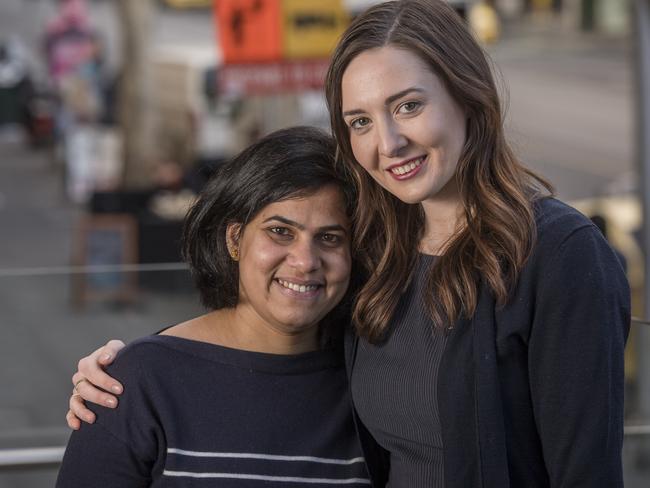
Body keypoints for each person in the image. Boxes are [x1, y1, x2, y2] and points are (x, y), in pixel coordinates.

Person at [66, 1, 630, 487]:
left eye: (408, 105)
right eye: (359, 121)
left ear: (469, 95)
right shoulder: (378, 252)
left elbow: (586, 471)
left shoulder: (557, 254)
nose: (388, 142)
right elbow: (272, 320)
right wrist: (128, 366)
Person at [57, 126, 371, 486]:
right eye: (280, 231)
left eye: (330, 238)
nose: (305, 261)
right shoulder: (137, 382)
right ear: (234, 239)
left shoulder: (373, 382)